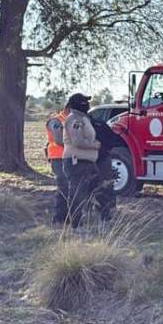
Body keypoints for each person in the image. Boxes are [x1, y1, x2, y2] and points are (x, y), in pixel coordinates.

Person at [61, 93, 102, 227]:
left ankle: (89, 222)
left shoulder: (83, 118)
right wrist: (95, 145)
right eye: (84, 102)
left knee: (93, 191)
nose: (87, 104)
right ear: (78, 104)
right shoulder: (75, 119)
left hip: (86, 162)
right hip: (76, 162)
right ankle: (75, 225)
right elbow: (77, 141)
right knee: (77, 195)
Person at [45, 106, 70, 224]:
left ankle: (66, 216)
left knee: (69, 187)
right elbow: (59, 140)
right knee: (63, 186)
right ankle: (58, 217)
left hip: (66, 157)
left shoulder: (69, 120)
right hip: (57, 157)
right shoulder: (56, 121)